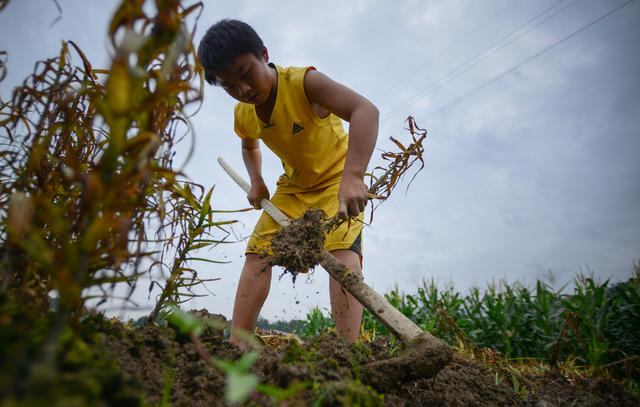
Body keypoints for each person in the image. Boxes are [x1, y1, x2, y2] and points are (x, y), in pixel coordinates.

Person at [197, 19, 379, 348]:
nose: (243, 90)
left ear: (263, 54)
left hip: (336, 179)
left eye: (245, 73)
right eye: (230, 87)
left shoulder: (304, 83)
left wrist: (353, 176)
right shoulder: (244, 113)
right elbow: (248, 144)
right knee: (257, 255)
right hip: (293, 189)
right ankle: (237, 347)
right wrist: (257, 182)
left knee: (341, 254)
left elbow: (364, 109)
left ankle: (347, 353)